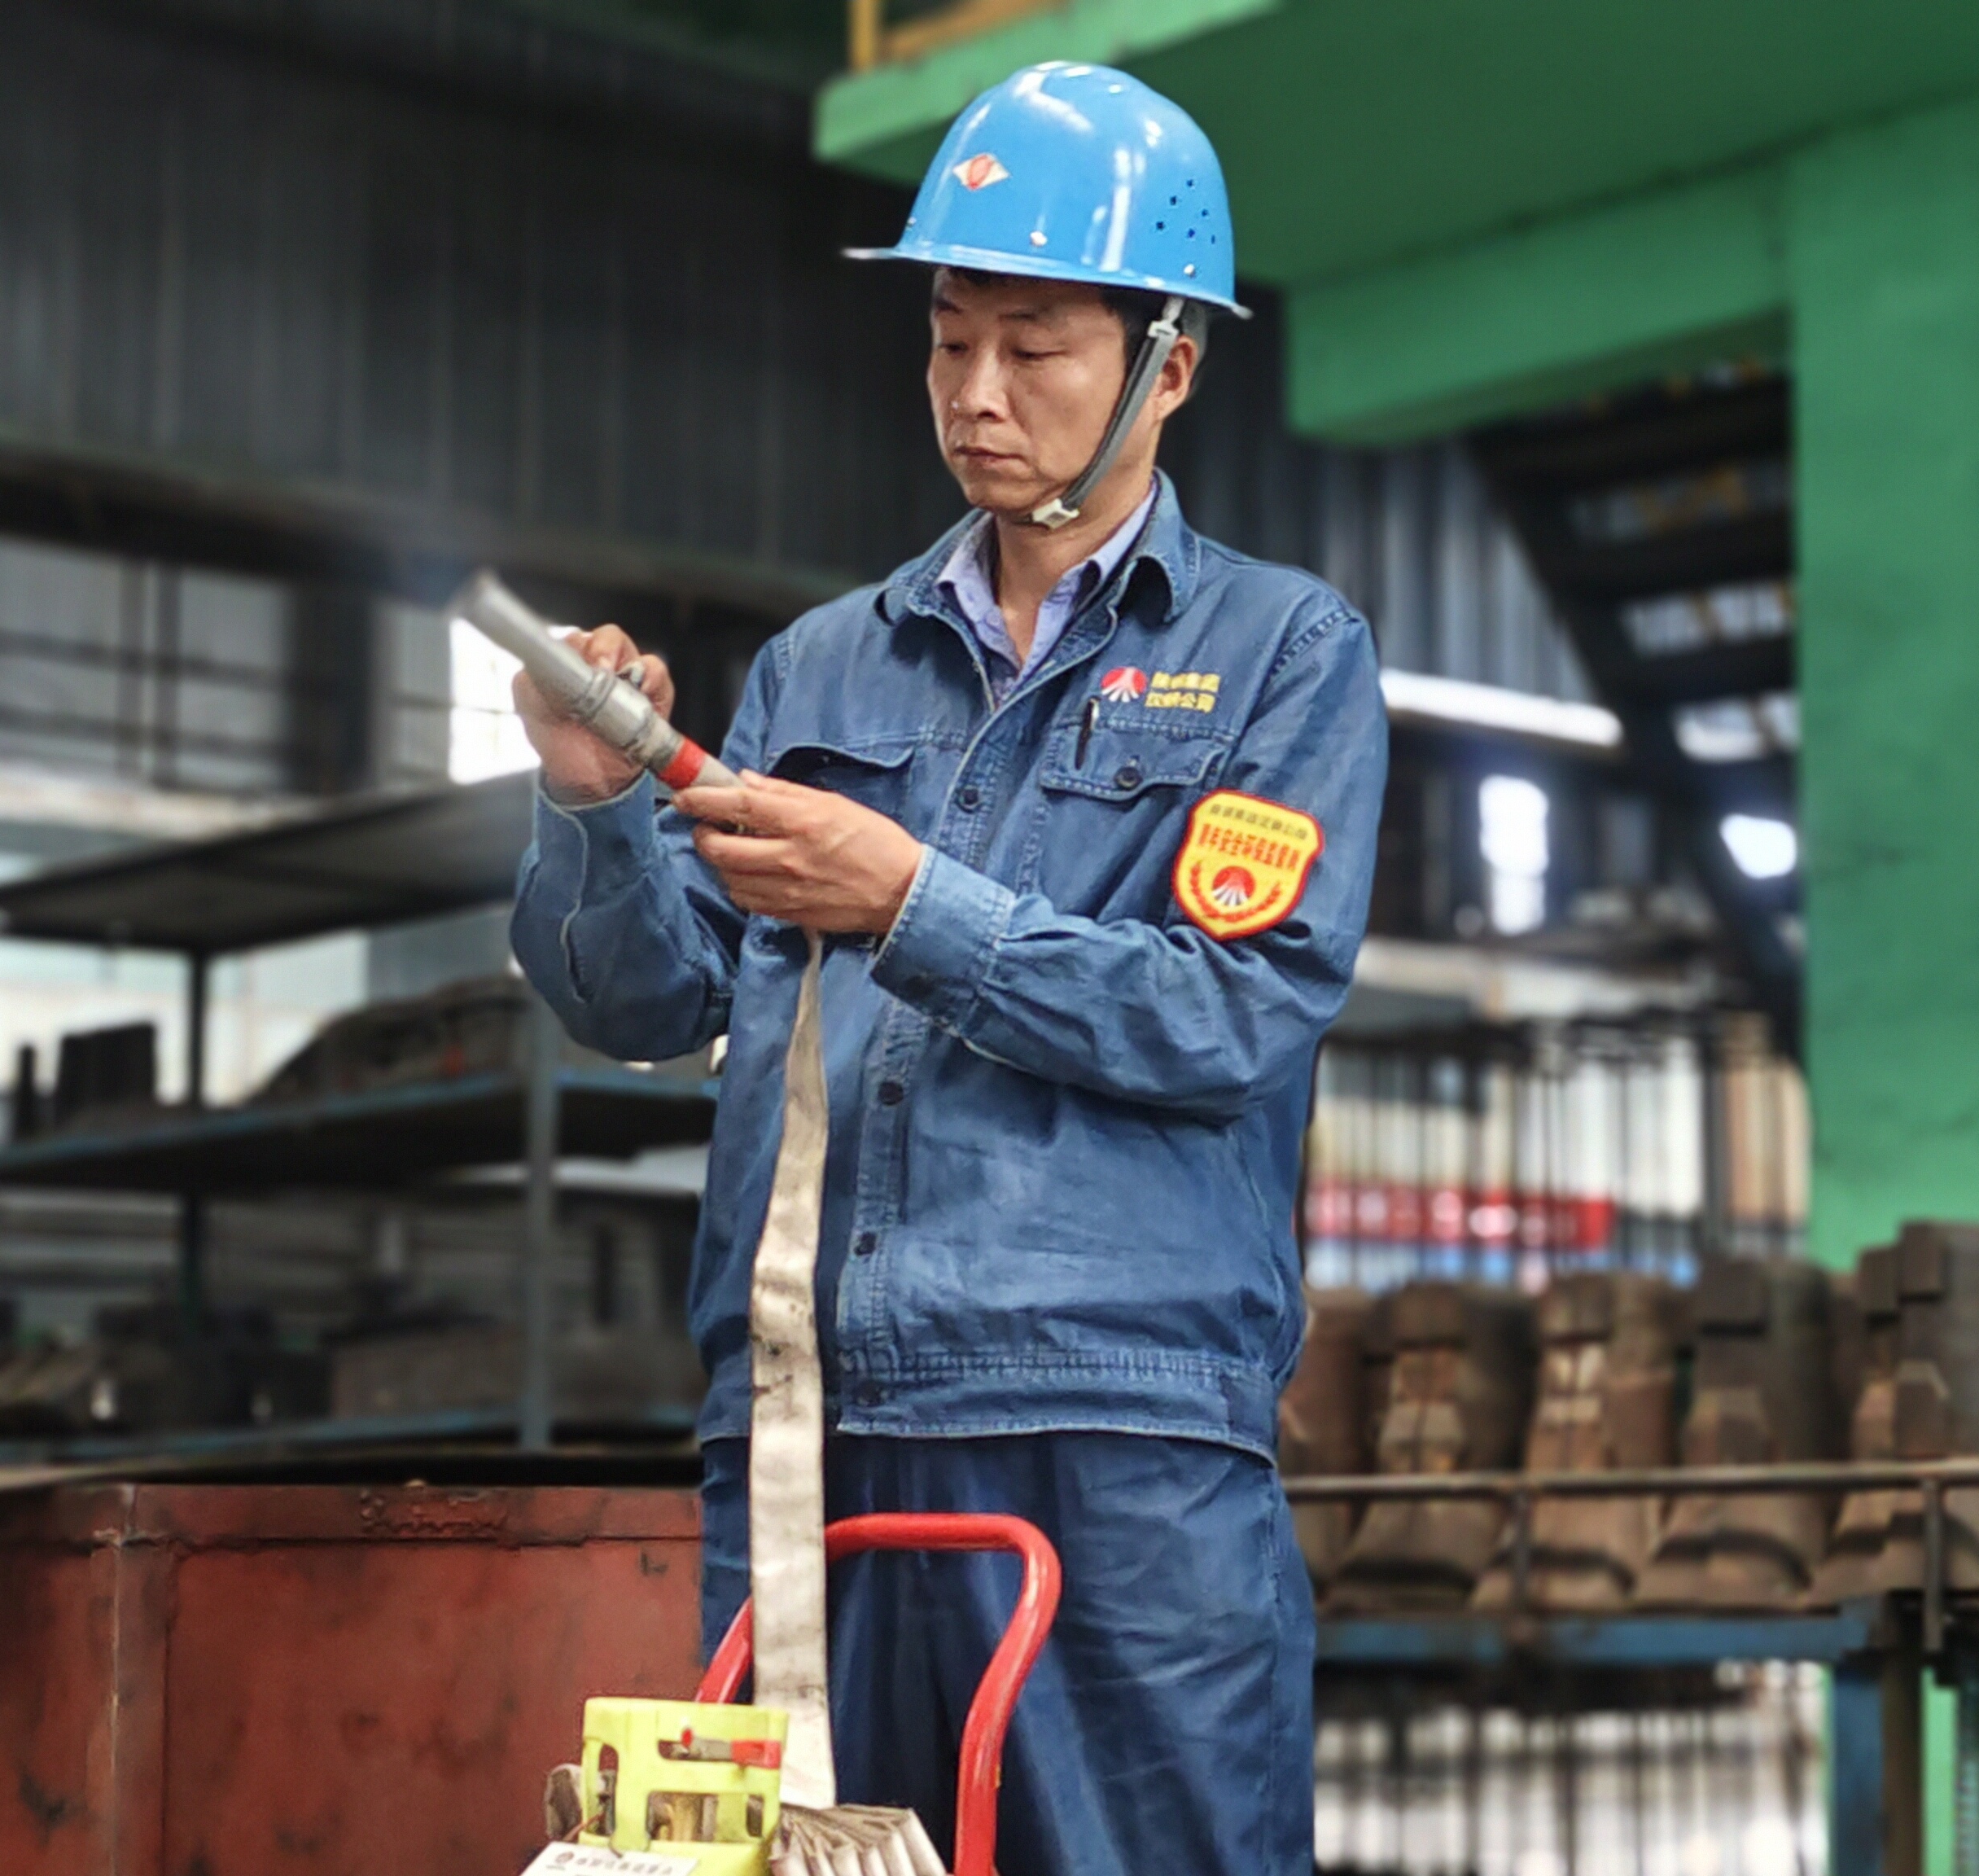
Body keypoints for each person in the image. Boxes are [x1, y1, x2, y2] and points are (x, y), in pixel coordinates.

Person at [508, 61, 1382, 1876]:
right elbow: (653, 1001)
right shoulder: (822, 670)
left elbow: (1228, 1013)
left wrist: (907, 900)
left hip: (1114, 1431)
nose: (976, 394)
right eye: (947, 337)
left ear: (1169, 363)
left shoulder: (1281, 657)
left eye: (1034, 347)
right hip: (802, 1429)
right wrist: (593, 809)